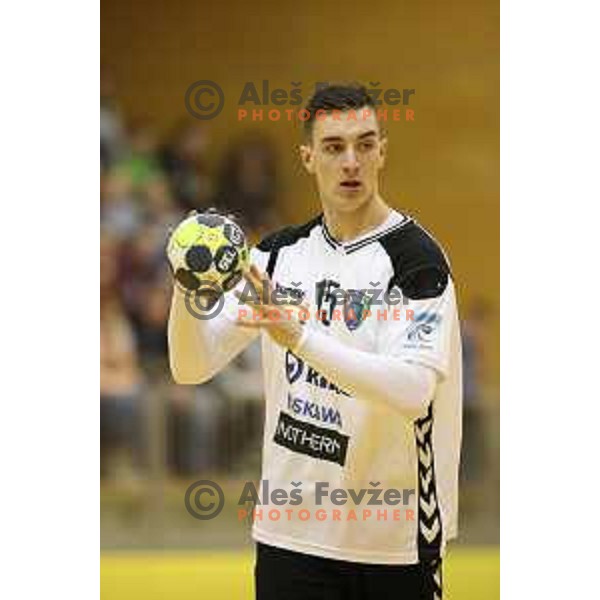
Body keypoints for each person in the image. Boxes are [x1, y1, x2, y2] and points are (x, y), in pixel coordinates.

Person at [167, 84, 462, 600]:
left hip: (390, 538)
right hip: (290, 535)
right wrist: (184, 284)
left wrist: (300, 337)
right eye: (333, 147)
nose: (351, 161)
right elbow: (192, 367)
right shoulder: (279, 257)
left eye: (364, 144)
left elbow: (414, 389)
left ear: (382, 152)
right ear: (308, 157)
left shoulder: (417, 261)